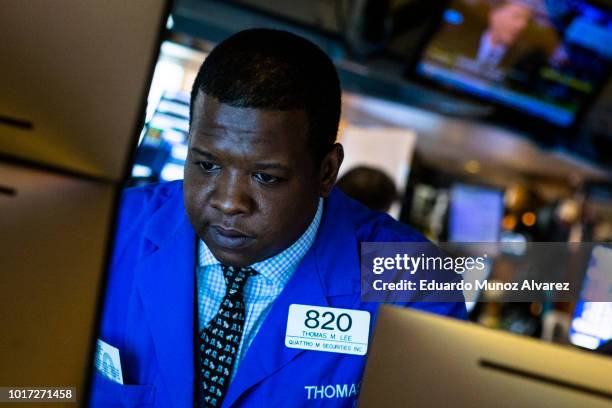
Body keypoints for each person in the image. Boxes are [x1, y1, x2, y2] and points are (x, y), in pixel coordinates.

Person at [90, 28, 466, 407]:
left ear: (326, 172)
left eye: (265, 177)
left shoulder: (411, 285)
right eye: (206, 164)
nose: (228, 202)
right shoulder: (108, 226)